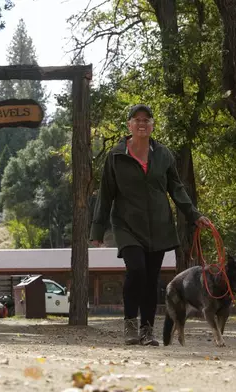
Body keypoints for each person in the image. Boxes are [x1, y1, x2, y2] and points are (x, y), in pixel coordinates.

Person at [90, 104, 211, 346]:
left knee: (151, 278)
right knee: (136, 270)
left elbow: (176, 188)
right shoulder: (115, 156)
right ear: (129, 125)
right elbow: (105, 195)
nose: (142, 123)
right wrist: (97, 230)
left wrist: (193, 214)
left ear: (152, 125)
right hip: (126, 225)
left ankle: (147, 330)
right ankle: (129, 325)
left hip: (158, 225)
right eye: (137, 119)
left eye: (147, 119)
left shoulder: (163, 154)